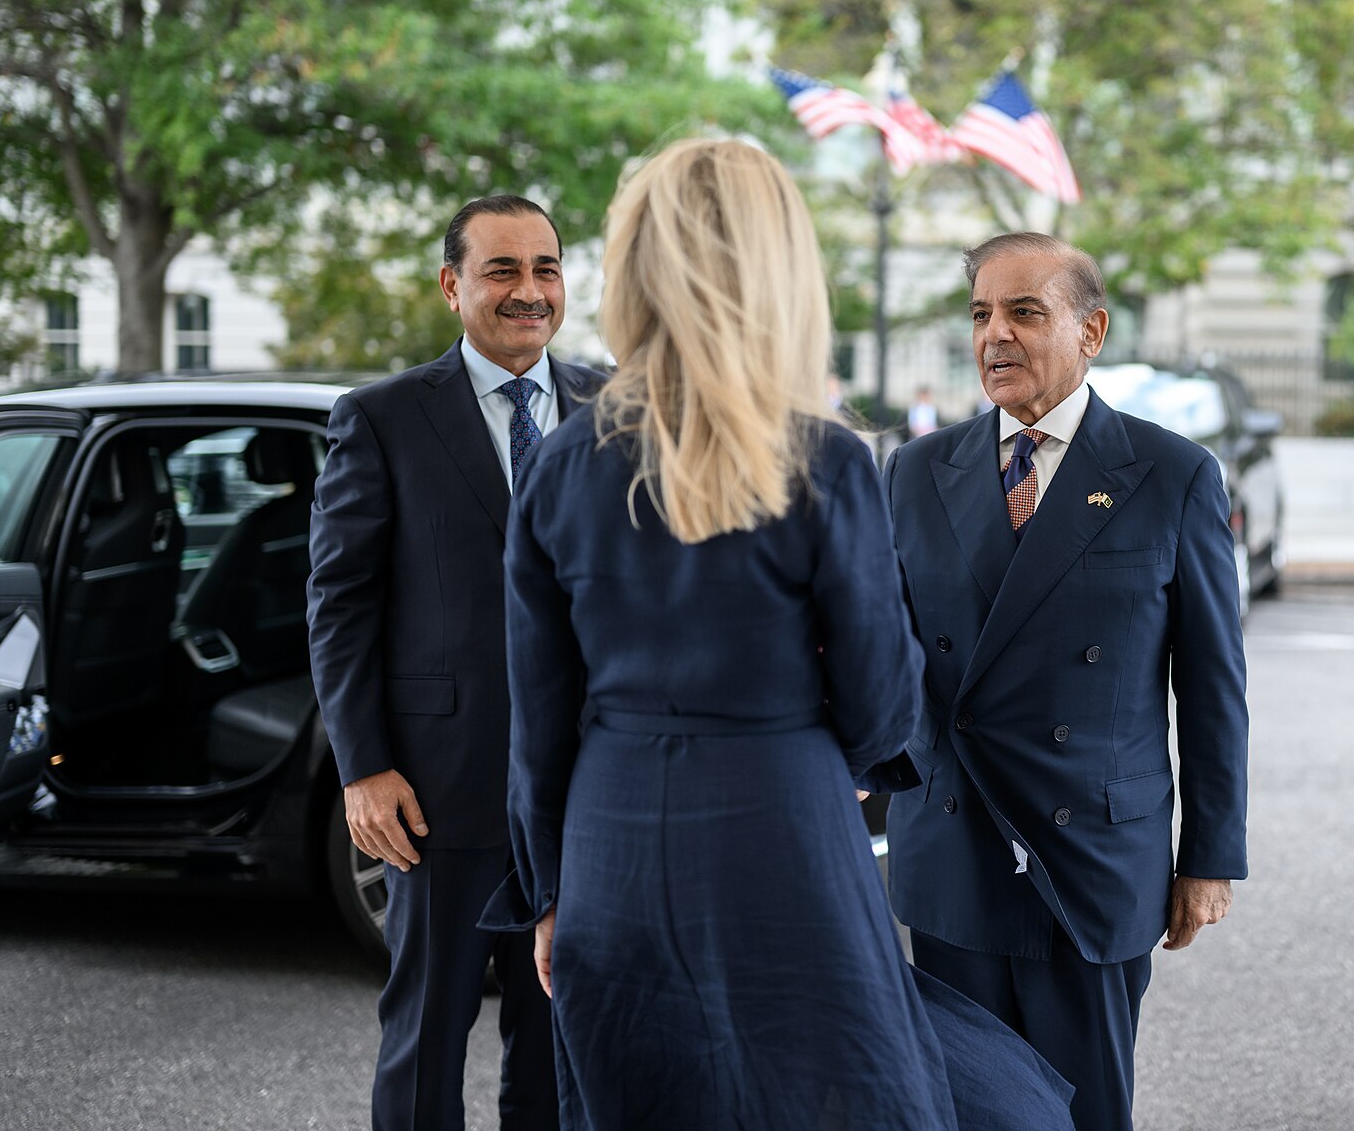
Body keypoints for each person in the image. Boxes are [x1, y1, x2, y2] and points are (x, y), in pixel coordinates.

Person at [482, 139, 1072, 1131]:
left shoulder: (558, 464)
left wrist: (548, 891)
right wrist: (808, 747)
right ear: (778, 270)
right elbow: (885, 695)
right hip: (784, 820)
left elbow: (536, 718)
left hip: (611, 836)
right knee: (828, 1091)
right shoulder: (826, 459)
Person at [881, 232, 1249, 1131]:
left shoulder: (1172, 474)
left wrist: (1208, 854)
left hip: (1089, 862)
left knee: (1082, 1112)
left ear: (1092, 331)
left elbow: (1212, 687)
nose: (994, 336)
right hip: (953, 854)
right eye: (980, 314)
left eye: (1023, 311)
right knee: (959, 1109)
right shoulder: (917, 470)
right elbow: (879, 664)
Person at [307, 194, 602, 1131]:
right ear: (452, 284)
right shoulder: (382, 418)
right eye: (502, 270)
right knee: (427, 1033)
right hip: (438, 787)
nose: (529, 292)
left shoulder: (619, 407)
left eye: (545, 269)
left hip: (591, 788)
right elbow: (340, 604)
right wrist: (361, 766)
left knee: (561, 1044)